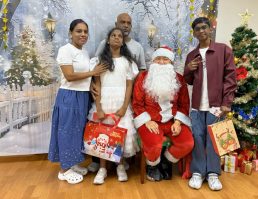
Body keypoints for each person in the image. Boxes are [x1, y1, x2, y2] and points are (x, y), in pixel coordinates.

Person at [48, 19, 108, 184]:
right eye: (78, 31)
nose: (83, 34)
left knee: (77, 132)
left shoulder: (84, 52)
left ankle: (71, 164)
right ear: (71, 33)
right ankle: (64, 170)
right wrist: (93, 73)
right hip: (69, 96)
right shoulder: (65, 50)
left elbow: (82, 77)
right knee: (66, 130)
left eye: (85, 32)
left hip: (82, 96)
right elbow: (70, 76)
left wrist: (90, 88)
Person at [88, 13, 146, 172]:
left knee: (121, 133)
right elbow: (97, 79)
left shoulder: (130, 58)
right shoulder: (101, 55)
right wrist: (98, 105)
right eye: (113, 35)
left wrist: (127, 103)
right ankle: (102, 167)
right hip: (104, 99)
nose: (117, 37)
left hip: (122, 99)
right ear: (108, 39)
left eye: (128, 23)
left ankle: (120, 165)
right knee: (102, 132)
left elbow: (133, 80)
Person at [184, 17, 237, 191]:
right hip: (197, 105)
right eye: (197, 29)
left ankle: (213, 173)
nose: (201, 31)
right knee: (198, 138)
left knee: (215, 138)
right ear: (194, 33)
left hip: (216, 105)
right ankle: (198, 172)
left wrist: (226, 102)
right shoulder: (192, 55)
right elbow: (188, 81)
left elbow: (230, 78)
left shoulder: (223, 50)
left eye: (204, 27)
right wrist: (188, 69)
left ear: (210, 29)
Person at [132, 46, 194, 181]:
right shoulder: (143, 77)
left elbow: (184, 104)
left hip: (173, 120)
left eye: (165, 59)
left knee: (187, 143)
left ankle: (166, 161)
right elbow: (137, 103)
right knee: (154, 145)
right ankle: (152, 166)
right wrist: (147, 121)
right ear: (153, 61)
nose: (161, 62)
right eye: (158, 59)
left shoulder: (179, 79)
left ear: (171, 62)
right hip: (150, 120)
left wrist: (178, 122)